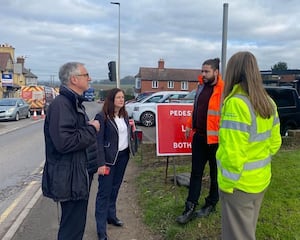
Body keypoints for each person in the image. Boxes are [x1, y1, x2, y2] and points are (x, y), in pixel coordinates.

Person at [216, 51, 282, 240]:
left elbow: (232, 152)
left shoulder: (236, 104)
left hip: (238, 186)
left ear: (233, 72)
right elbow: (275, 143)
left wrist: (227, 185)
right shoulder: (268, 102)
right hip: (260, 180)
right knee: (247, 232)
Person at [42, 62, 100, 240]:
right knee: (71, 230)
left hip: (76, 176)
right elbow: (65, 142)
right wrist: (92, 129)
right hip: (69, 179)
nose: (89, 78)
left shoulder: (73, 102)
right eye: (86, 75)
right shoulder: (62, 104)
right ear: (74, 79)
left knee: (76, 226)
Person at [176, 58, 224, 224]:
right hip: (199, 137)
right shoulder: (200, 87)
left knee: (214, 174)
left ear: (216, 72)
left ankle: (211, 203)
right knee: (195, 173)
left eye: (206, 71)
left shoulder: (223, 90)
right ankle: (189, 207)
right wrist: (190, 125)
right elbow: (196, 109)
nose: (203, 74)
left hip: (216, 140)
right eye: (202, 71)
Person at [94, 88, 136, 240]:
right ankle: (101, 229)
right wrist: (100, 163)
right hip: (108, 161)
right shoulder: (102, 116)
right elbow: (98, 143)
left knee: (115, 188)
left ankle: (111, 216)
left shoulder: (124, 115)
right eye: (118, 97)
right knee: (104, 193)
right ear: (111, 100)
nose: (121, 100)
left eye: (123, 97)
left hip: (123, 157)